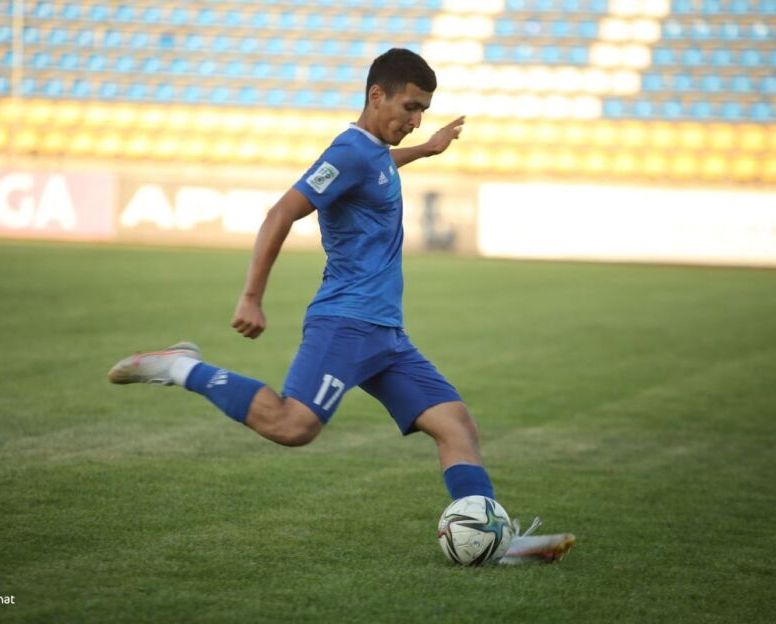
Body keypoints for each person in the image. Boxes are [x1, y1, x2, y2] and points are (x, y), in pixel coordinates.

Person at [108, 48, 574, 564]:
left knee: (456, 425)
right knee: (293, 426)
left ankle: (495, 541)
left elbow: (378, 168)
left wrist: (424, 149)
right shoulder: (349, 152)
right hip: (346, 322)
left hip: (387, 335)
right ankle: (179, 366)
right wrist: (252, 296)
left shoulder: (373, 154)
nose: (416, 120)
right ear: (376, 95)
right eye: (410, 107)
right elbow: (281, 213)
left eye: (423, 111)